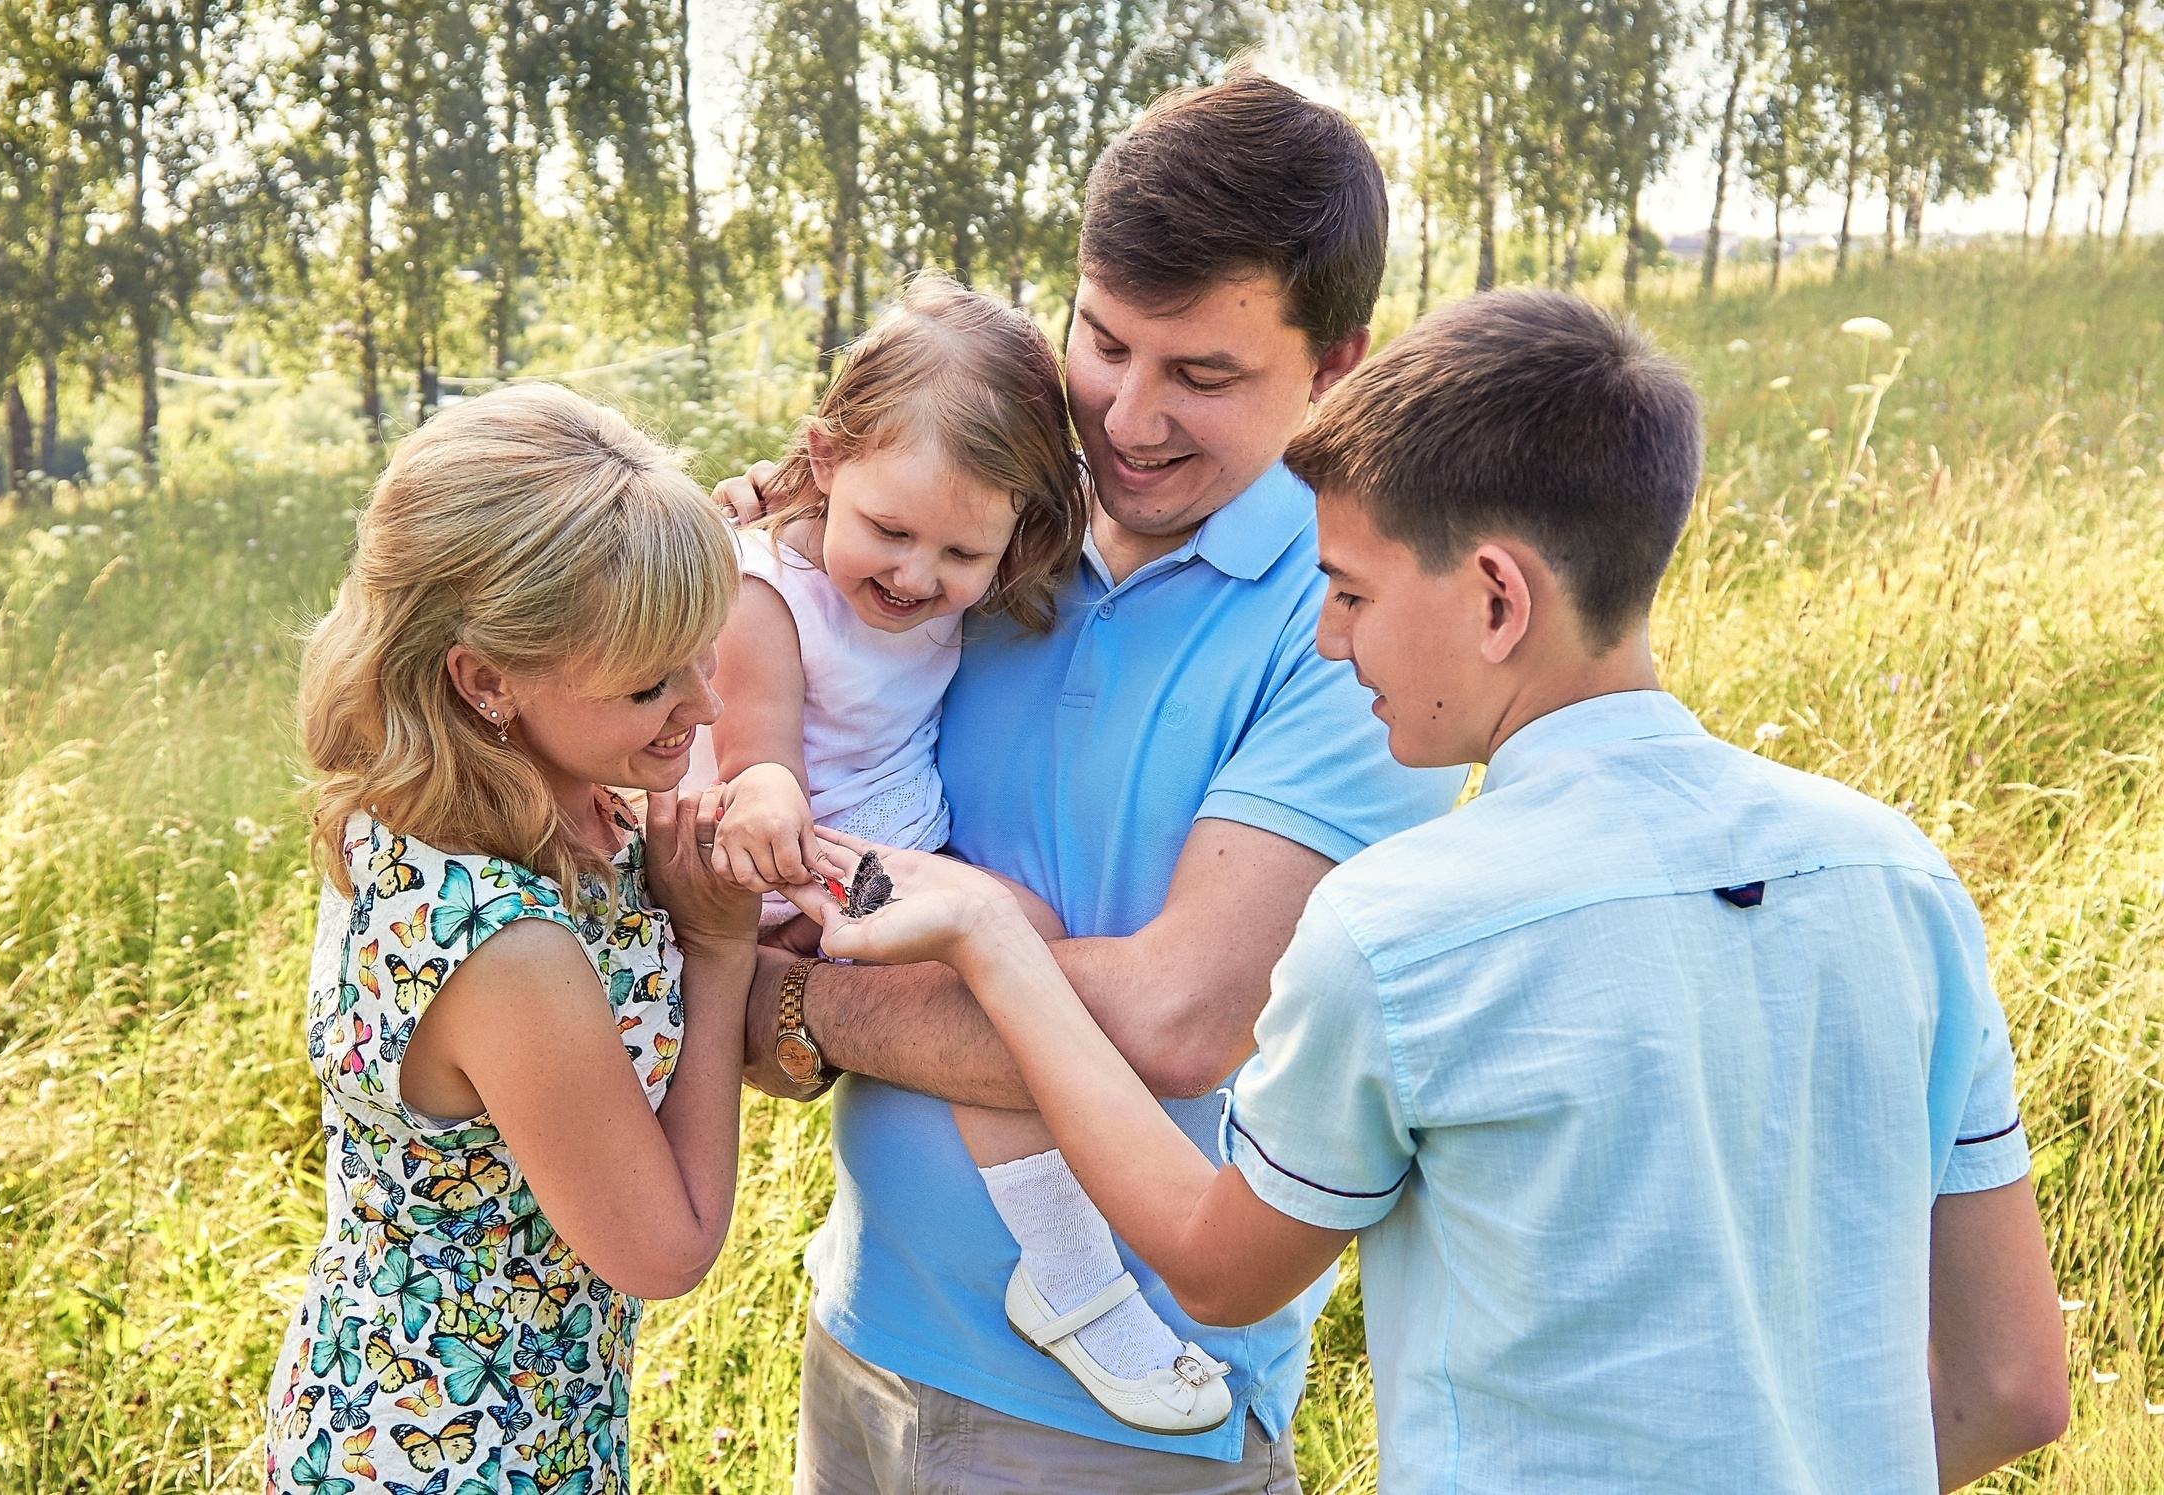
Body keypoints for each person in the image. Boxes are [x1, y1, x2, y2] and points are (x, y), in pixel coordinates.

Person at [788, 289, 2072, 1493]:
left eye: (1348, 591)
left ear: (1498, 597)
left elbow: (1216, 1267)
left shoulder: (1404, 927)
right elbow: (2014, 1387)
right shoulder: (1900, 875)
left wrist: (985, 939)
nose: (1332, 636)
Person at [719, 69, 1466, 1489]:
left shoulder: (1359, 620)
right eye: (1104, 343)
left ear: (1340, 360)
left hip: (1124, 1424)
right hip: (864, 1333)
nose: (1126, 417)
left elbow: (1187, 1016)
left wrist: (789, 998)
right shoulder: (982, 524)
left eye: (1203, 374)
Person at [705, 276, 1237, 1434]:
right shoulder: (767, 593)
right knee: (1009, 963)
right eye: (889, 532)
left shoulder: (951, 555)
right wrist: (763, 805)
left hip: (888, 844)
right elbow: (757, 758)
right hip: (802, 856)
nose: (914, 576)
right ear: (825, 460)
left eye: (960, 552)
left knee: (1008, 962)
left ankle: (1061, 1269)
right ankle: (1074, 1276)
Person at [268, 384, 765, 1495]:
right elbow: (664, 1248)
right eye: (649, 682)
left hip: (410, 1400)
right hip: (460, 1446)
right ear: (486, 678)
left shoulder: (441, 799)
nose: (702, 705)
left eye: (703, 652)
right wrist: (721, 954)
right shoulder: (507, 948)